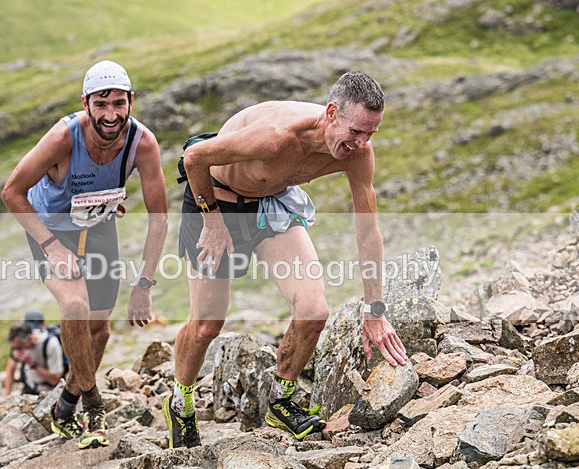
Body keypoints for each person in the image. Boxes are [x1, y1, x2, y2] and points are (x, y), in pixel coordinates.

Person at [165, 71, 409, 448]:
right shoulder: (277, 136)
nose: (362, 143)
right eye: (356, 131)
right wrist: (211, 221)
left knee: (313, 311)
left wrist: (374, 309)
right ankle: (180, 404)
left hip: (270, 204)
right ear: (331, 113)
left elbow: (367, 230)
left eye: (371, 134)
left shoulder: (358, 152)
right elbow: (194, 157)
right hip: (215, 202)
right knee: (207, 325)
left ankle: (281, 402)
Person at [2, 60, 168, 449]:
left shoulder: (142, 143)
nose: (110, 115)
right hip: (51, 230)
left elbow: (159, 219)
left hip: (98, 227)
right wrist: (50, 245)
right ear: (85, 103)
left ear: (131, 101)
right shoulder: (63, 137)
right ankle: (94, 405)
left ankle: (65, 406)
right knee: (75, 306)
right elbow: (11, 192)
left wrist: (143, 285)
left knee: (99, 330)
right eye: (101, 104)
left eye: (119, 104)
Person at [5, 322, 64, 395]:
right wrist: (7, 394)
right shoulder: (17, 345)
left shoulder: (51, 344)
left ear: (30, 338)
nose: (17, 351)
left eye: (19, 347)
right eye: (14, 347)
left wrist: (32, 363)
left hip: (48, 390)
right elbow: (10, 368)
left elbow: (55, 380)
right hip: (29, 386)